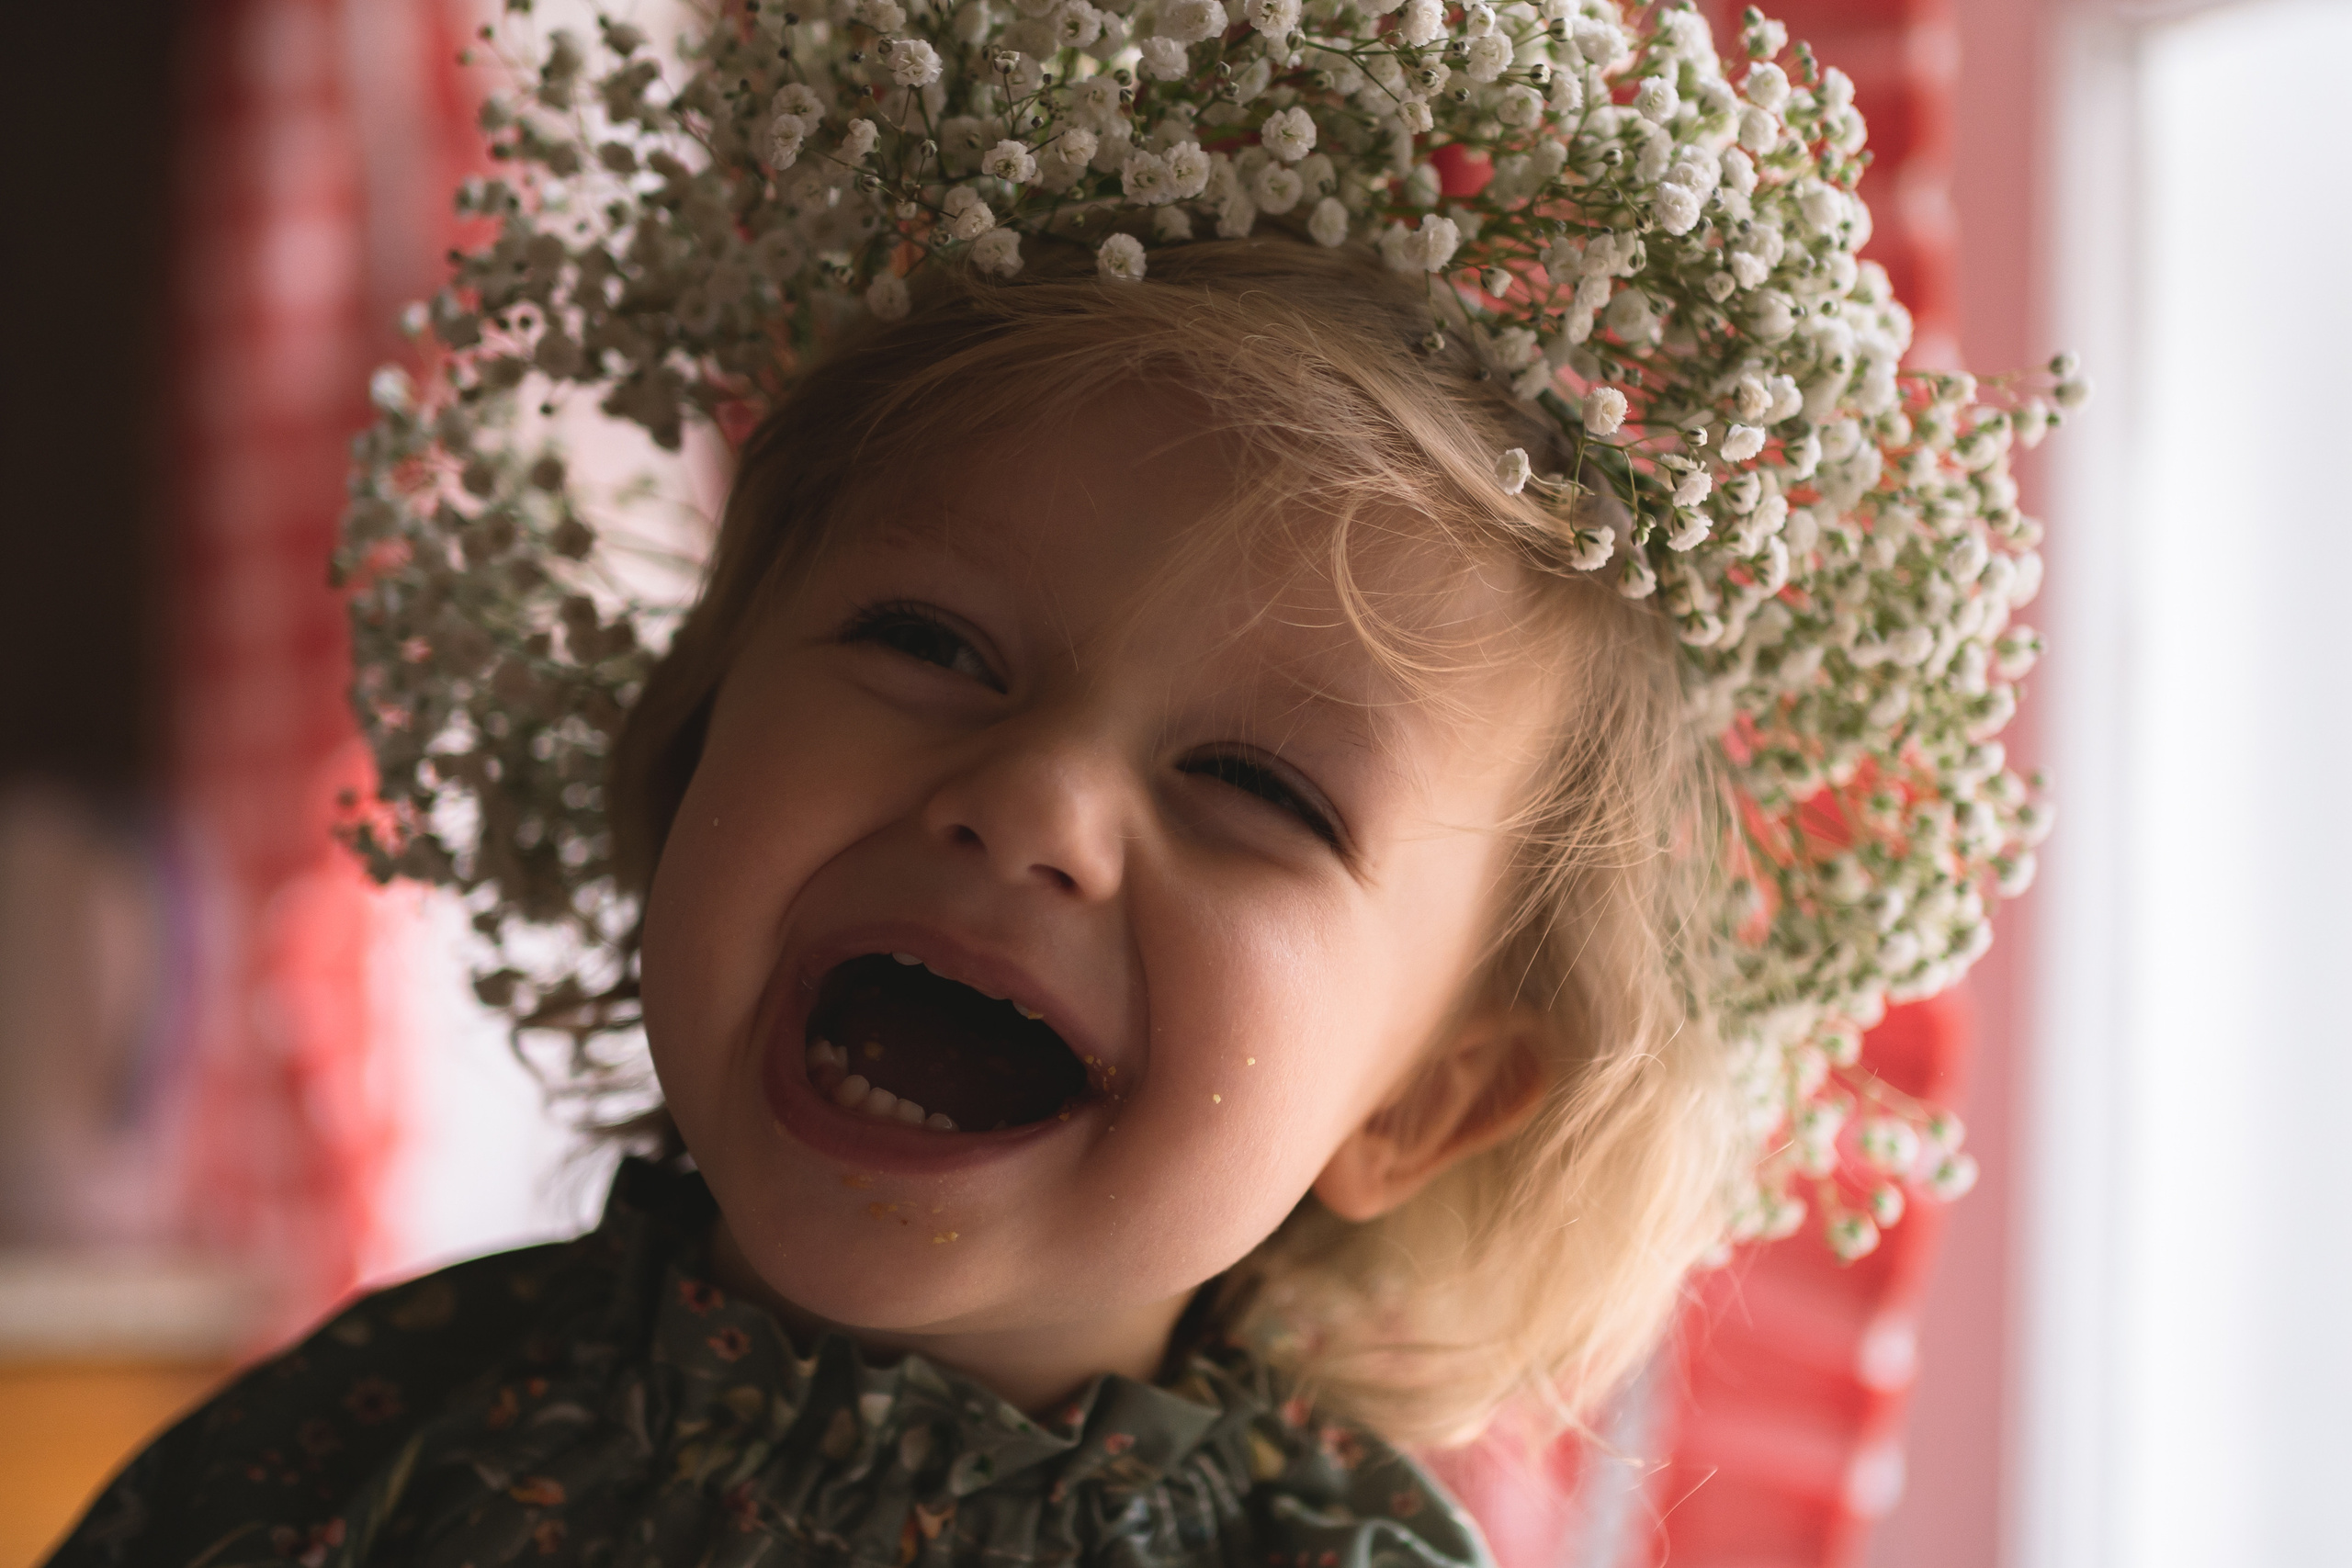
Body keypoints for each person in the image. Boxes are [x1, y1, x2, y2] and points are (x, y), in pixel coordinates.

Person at [48, 0, 2065, 1560]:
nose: (1029, 800)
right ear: (690, 742)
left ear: (1426, 1094)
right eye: (928, 644)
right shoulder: (350, 1457)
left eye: (1259, 786)